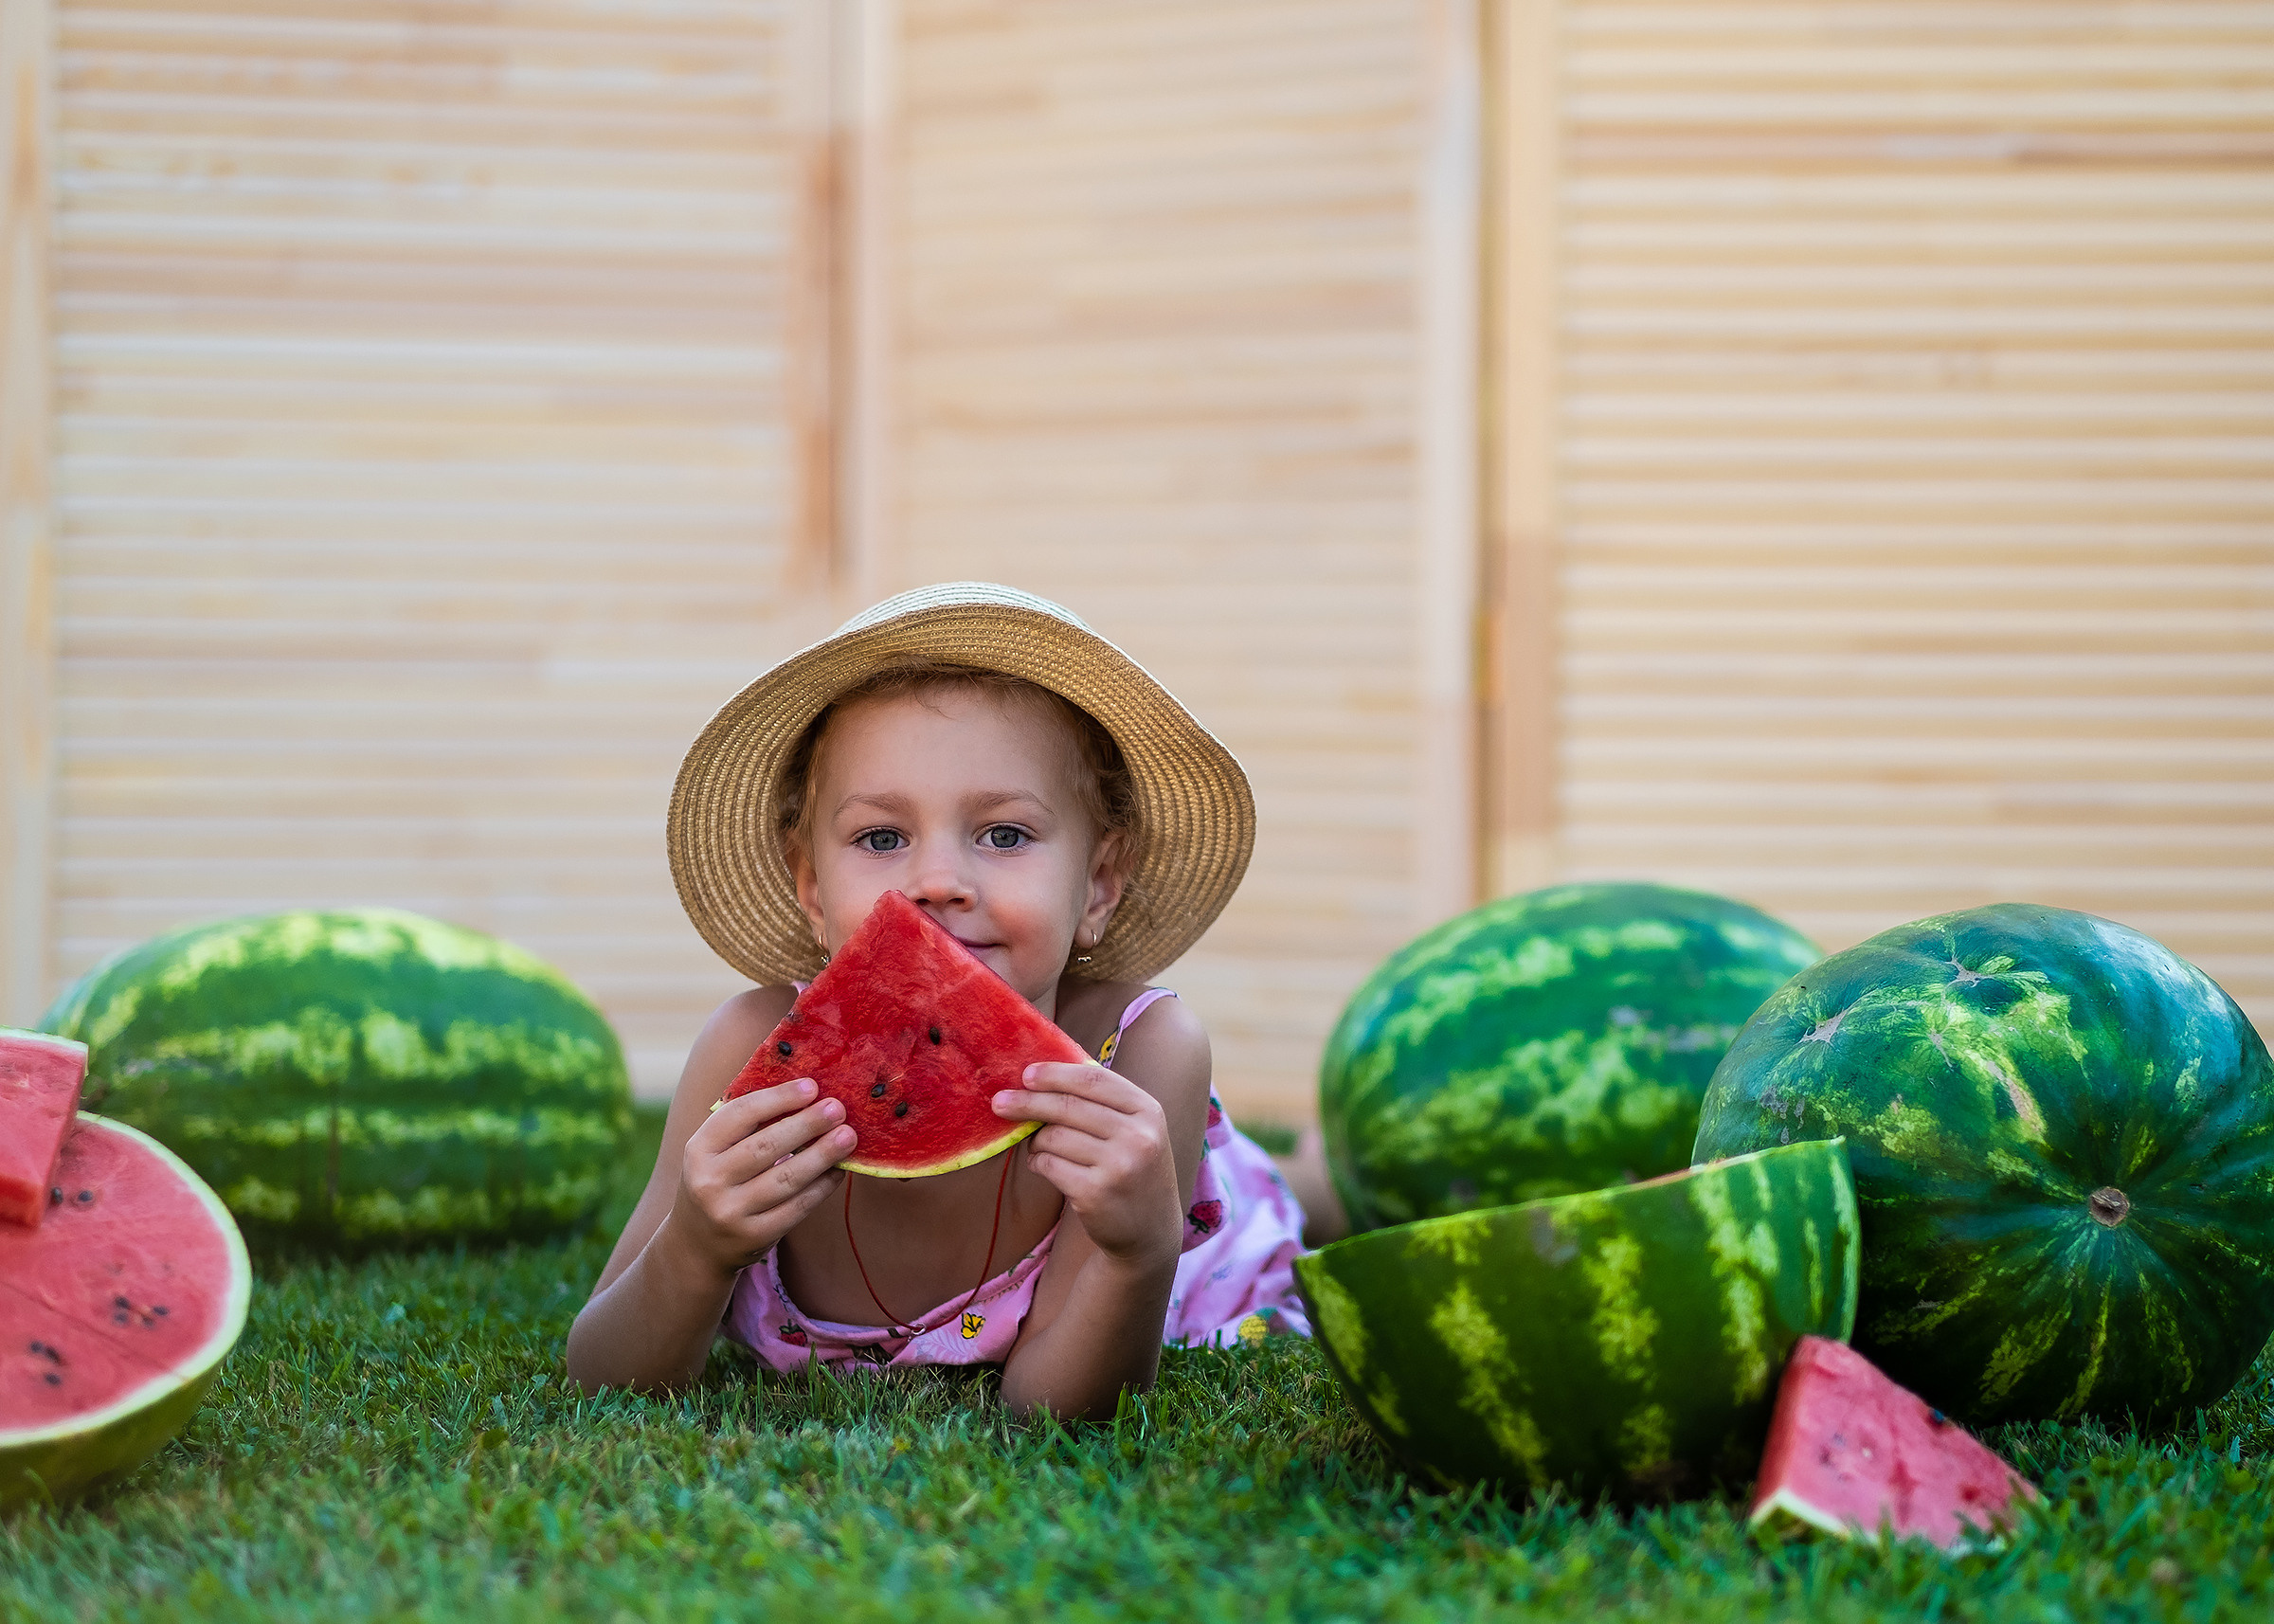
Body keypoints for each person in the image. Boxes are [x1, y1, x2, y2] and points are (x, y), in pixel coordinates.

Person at [567, 583, 1309, 1418]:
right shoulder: (747, 1049)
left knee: (1273, 1198)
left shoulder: (1141, 1056)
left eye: (1004, 834)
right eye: (881, 838)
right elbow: (601, 1376)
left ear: (1099, 884)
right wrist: (695, 1250)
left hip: (1182, 1217)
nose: (938, 882)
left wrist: (1137, 1253)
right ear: (812, 889)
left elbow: (1049, 1415)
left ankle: (1319, 1176)